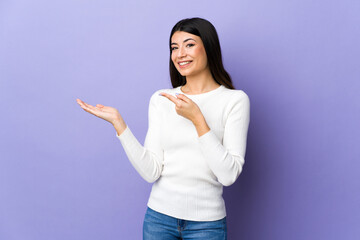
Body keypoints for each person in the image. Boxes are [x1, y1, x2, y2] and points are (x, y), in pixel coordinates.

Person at [76, 17, 250, 240]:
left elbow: (228, 175)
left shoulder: (234, 101)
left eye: (189, 44)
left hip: (207, 225)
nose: (180, 54)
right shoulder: (161, 99)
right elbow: (151, 171)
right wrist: (119, 124)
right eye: (174, 48)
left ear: (209, 47)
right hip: (159, 220)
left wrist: (198, 119)